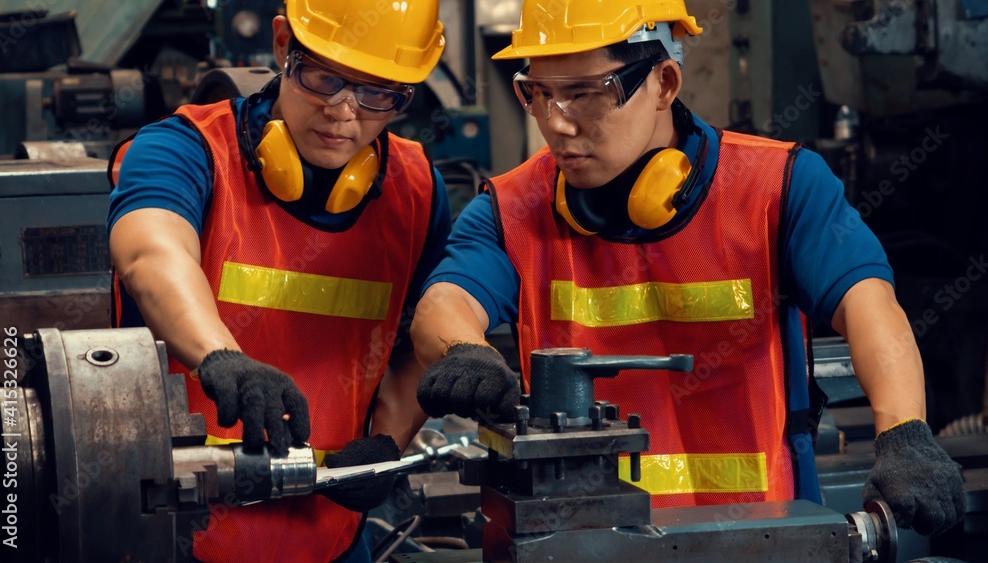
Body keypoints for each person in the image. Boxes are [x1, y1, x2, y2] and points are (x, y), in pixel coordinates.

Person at [411, 0, 966, 537]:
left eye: (586, 95)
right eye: (539, 94)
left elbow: (870, 305)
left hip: (766, 540)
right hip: (583, 544)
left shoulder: (779, 188)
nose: (557, 124)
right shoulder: (512, 210)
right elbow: (446, 302)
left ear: (664, 83)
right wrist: (465, 349)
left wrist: (904, 430)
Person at [107, 0, 449, 560]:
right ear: (283, 45)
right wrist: (220, 356)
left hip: (333, 536)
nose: (344, 113)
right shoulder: (184, 150)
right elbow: (150, 252)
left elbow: (420, 347)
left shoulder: (419, 193)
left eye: (378, 94)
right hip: (175, 534)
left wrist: (388, 441)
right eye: (325, 79)